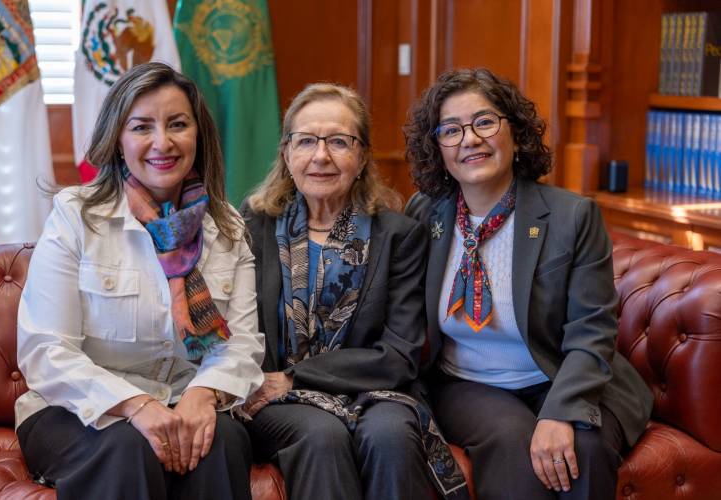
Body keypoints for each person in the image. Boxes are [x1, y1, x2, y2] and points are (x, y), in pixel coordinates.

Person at [15, 62, 264, 500]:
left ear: (198, 135)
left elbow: (240, 345)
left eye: (178, 124)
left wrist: (202, 395)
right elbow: (45, 350)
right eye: (142, 127)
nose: (162, 142)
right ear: (118, 138)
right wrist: (136, 405)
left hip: (184, 401)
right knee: (129, 446)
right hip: (77, 409)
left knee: (222, 443)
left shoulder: (227, 227)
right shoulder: (76, 216)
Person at [403, 68, 653, 500]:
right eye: (451, 129)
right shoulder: (425, 214)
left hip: (558, 372)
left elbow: (593, 330)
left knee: (584, 447)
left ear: (515, 134)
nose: (469, 139)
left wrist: (561, 412)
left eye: (484, 122)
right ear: (437, 148)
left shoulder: (571, 217)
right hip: (468, 382)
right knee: (514, 442)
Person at [240, 83, 467, 500]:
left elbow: (398, 354)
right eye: (306, 140)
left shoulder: (399, 236)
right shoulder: (252, 226)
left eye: (339, 142)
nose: (321, 155)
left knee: (392, 435)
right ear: (287, 153)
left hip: (372, 390)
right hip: (270, 398)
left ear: (362, 156)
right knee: (321, 432)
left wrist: (294, 378)